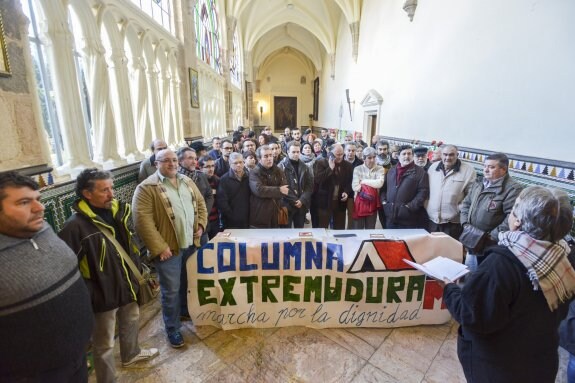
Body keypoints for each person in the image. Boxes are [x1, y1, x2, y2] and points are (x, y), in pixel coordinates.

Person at [444, 186, 575, 383]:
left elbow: (473, 315)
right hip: (539, 361)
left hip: (500, 366)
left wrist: (448, 288)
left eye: (514, 209)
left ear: (518, 221)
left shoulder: (501, 264)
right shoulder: (564, 256)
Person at [59, 169, 159, 382]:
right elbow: (67, 269)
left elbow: (129, 245)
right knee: (104, 342)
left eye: (111, 188)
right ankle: (107, 378)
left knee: (131, 319)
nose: (111, 194)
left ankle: (131, 354)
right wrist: (91, 292)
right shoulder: (74, 226)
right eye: (104, 190)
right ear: (87, 193)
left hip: (127, 283)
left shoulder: (117, 211)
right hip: (102, 294)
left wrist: (138, 271)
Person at [0, 171, 93, 382]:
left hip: (76, 360)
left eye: (38, 200)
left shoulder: (43, 229)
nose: (39, 208)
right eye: (24, 202)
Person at [132, 149, 207, 348]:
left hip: (191, 244)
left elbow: (200, 203)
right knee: (170, 290)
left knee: (187, 282)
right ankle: (172, 328)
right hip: (168, 250)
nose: (172, 164)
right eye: (166, 161)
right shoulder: (146, 188)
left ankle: (184, 311)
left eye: (174, 160)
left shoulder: (187, 181)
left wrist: (200, 224)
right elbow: (142, 222)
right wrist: (159, 247)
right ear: (156, 163)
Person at [460, 153, 523, 270]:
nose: (486, 170)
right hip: (472, 238)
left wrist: (492, 236)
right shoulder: (478, 183)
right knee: (470, 271)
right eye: (485, 166)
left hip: (491, 243)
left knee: (484, 274)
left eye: (491, 167)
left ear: (503, 169)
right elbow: (466, 204)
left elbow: (512, 216)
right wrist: (465, 224)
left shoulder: (512, 189)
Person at [426, 144, 476, 239]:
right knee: (432, 250)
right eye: (445, 154)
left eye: (451, 155)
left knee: (448, 251)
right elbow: (426, 189)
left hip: (453, 222)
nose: (448, 157)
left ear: (457, 155)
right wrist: (427, 205)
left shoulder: (468, 170)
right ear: (441, 155)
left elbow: (471, 196)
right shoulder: (433, 167)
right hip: (432, 220)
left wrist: (458, 209)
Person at [380, 145, 429, 229]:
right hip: (390, 216)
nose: (407, 156)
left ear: (413, 156)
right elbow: (384, 189)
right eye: (404, 154)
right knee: (390, 241)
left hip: (408, 219)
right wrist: (384, 202)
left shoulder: (421, 173)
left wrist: (409, 207)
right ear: (398, 156)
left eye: (409, 154)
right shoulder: (391, 170)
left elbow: (423, 193)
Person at [177, 147, 213, 245]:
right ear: (180, 161)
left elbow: (209, 195)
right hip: (186, 229)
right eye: (190, 158)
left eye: (195, 158)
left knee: (203, 256)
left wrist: (203, 215)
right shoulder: (176, 179)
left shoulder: (201, 176)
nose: (194, 161)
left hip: (203, 224)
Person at [314, 144, 353, 229]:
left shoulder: (348, 165)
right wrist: (330, 168)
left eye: (342, 154)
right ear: (330, 154)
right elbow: (318, 180)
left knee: (339, 228)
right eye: (337, 154)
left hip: (340, 202)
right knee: (322, 227)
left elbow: (349, 182)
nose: (340, 157)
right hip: (325, 201)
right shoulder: (321, 163)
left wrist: (346, 192)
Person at [249, 145, 289, 228]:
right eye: (266, 156)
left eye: (271, 155)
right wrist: (278, 190)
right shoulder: (254, 172)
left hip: (276, 210)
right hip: (261, 212)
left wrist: (269, 191)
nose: (269, 158)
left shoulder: (278, 170)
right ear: (259, 159)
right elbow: (259, 190)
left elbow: (285, 189)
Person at [278, 142, 313, 228]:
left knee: (299, 231)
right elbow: (281, 186)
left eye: (298, 152)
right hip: (286, 204)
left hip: (301, 204)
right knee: (285, 232)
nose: (296, 154)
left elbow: (309, 186)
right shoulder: (280, 167)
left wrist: (302, 200)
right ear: (287, 152)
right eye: (293, 152)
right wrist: (294, 200)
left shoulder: (305, 167)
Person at [351, 147, 385, 229]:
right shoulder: (357, 169)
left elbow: (380, 183)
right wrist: (372, 184)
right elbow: (355, 187)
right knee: (357, 229)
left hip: (373, 203)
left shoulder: (380, 168)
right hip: (360, 203)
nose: (372, 160)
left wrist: (363, 181)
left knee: (370, 229)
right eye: (369, 158)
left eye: (374, 157)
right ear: (364, 158)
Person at [218, 152, 251, 229]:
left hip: (248, 218)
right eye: (235, 163)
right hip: (231, 221)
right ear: (230, 164)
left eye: (240, 162)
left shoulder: (249, 176)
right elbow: (222, 202)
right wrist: (232, 215)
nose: (238, 165)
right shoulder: (224, 179)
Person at [199, 155, 221, 239]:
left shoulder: (217, 180)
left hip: (215, 220)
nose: (211, 169)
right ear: (201, 168)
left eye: (212, 166)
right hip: (203, 221)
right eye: (207, 166)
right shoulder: (197, 181)